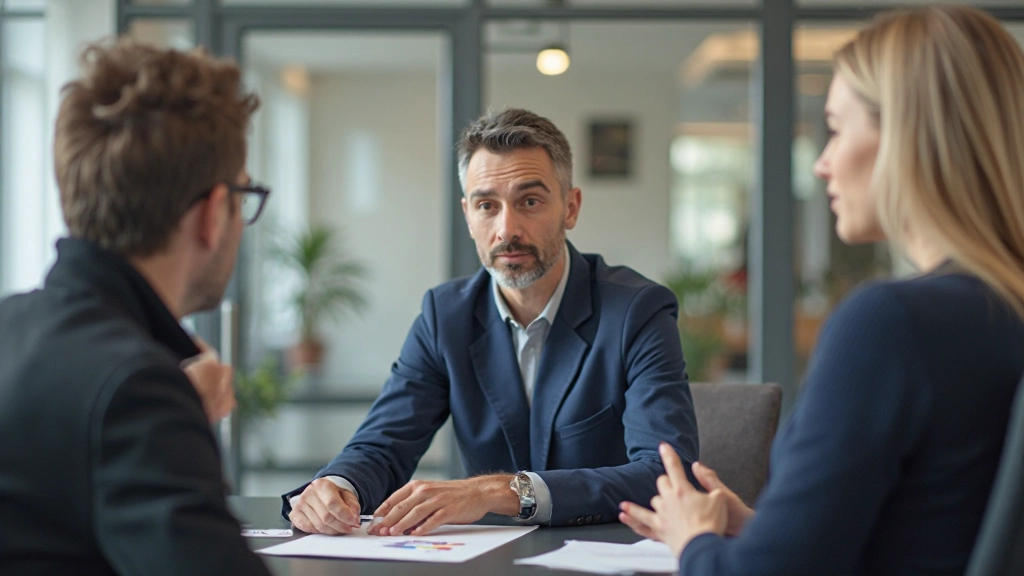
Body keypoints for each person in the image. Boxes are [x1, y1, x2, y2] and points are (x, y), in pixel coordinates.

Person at [619, 5, 1024, 575]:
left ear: (907, 135)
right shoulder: (1000, 311)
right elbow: (939, 529)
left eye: (835, 129)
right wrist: (766, 529)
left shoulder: (892, 323)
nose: (822, 164)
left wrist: (694, 539)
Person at [284, 108, 699, 536]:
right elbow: (383, 443)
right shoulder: (445, 316)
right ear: (468, 215)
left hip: (605, 553)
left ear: (570, 208)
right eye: (487, 205)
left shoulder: (638, 311)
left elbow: (665, 475)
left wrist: (499, 491)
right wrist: (337, 486)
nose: (507, 229)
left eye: (530, 201)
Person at [0, 39, 272, 575]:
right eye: (244, 197)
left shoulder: (12, 327)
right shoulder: (136, 391)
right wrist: (174, 418)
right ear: (215, 213)